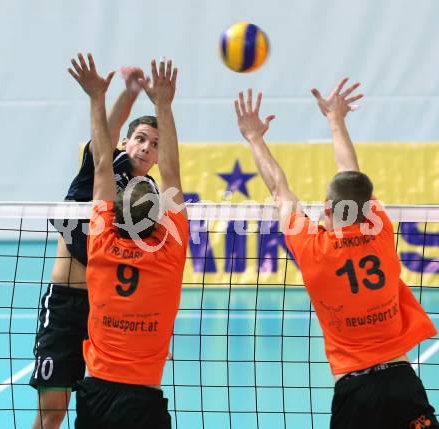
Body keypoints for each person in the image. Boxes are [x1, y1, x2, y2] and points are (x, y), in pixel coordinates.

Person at [234, 82, 438, 429]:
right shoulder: (378, 232)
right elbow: (350, 172)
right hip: (402, 381)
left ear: (328, 208)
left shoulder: (313, 247)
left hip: (354, 389)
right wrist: (335, 120)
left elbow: (279, 190)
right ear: (366, 209)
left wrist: (254, 138)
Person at [30, 56, 160, 429]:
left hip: (109, 313)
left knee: (102, 411)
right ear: (125, 141)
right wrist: (128, 93)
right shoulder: (101, 165)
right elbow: (104, 136)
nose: (145, 147)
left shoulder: (147, 196)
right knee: (53, 410)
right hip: (67, 303)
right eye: (139, 138)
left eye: (154, 144)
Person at [69, 53, 188, 429]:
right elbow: (171, 171)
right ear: (158, 219)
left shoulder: (100, 240)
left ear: (115, 212)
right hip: (142, 397)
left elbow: (103, 162)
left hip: (96, 393)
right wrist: (164, 106)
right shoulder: (168, 250)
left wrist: (95, 98)